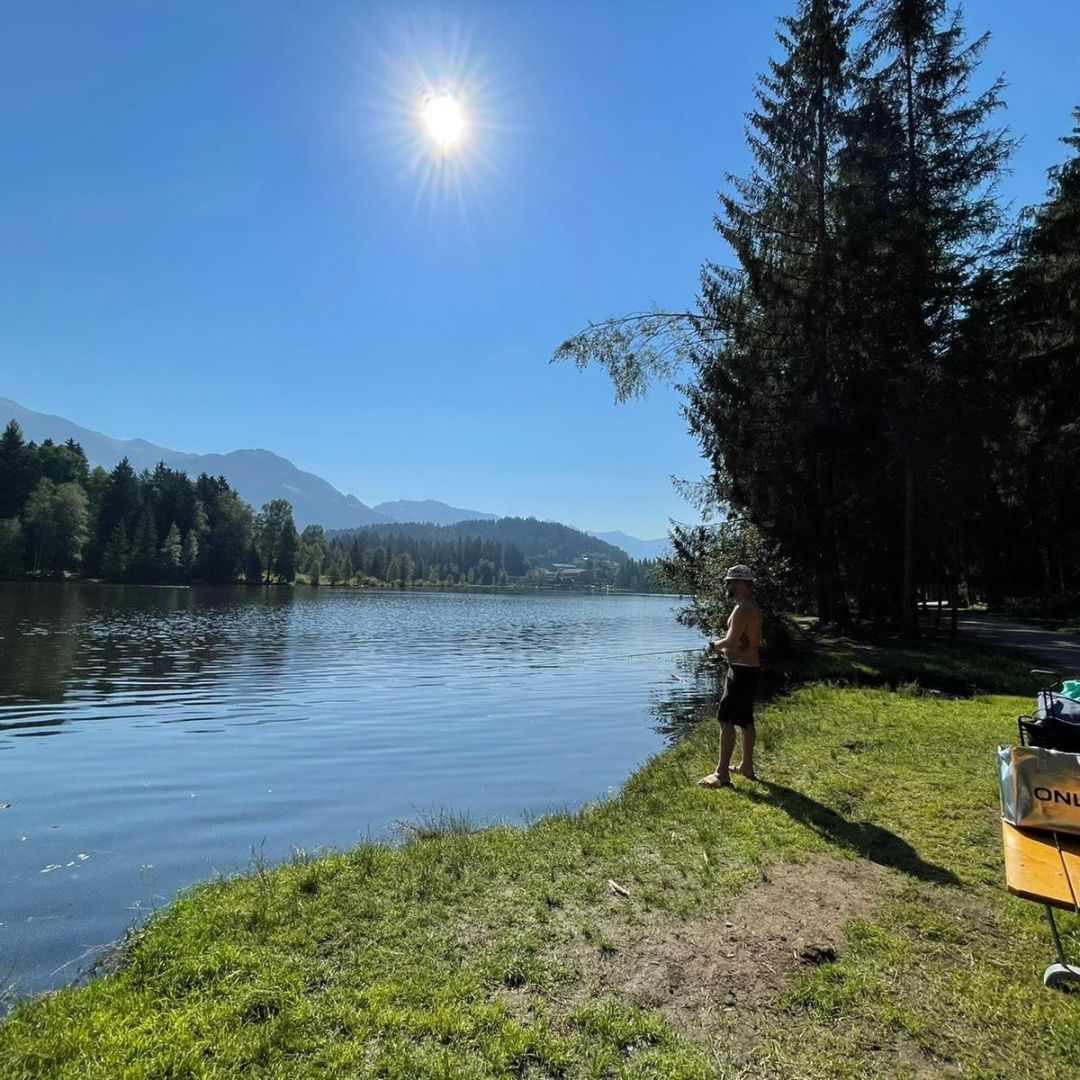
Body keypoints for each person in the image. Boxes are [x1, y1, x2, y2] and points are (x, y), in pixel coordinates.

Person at [698, 565, 763, 789]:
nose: (728, 585)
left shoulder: (742, 608)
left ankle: (722, 774)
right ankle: (746, 766)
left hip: (741, 671)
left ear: (742, 584)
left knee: (725, 720)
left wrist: (713, 646)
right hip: (749, 668)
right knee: (745, 720)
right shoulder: (753, 607)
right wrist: (727, 650)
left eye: (731, 582)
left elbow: (732, 641)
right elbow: (750, 641)